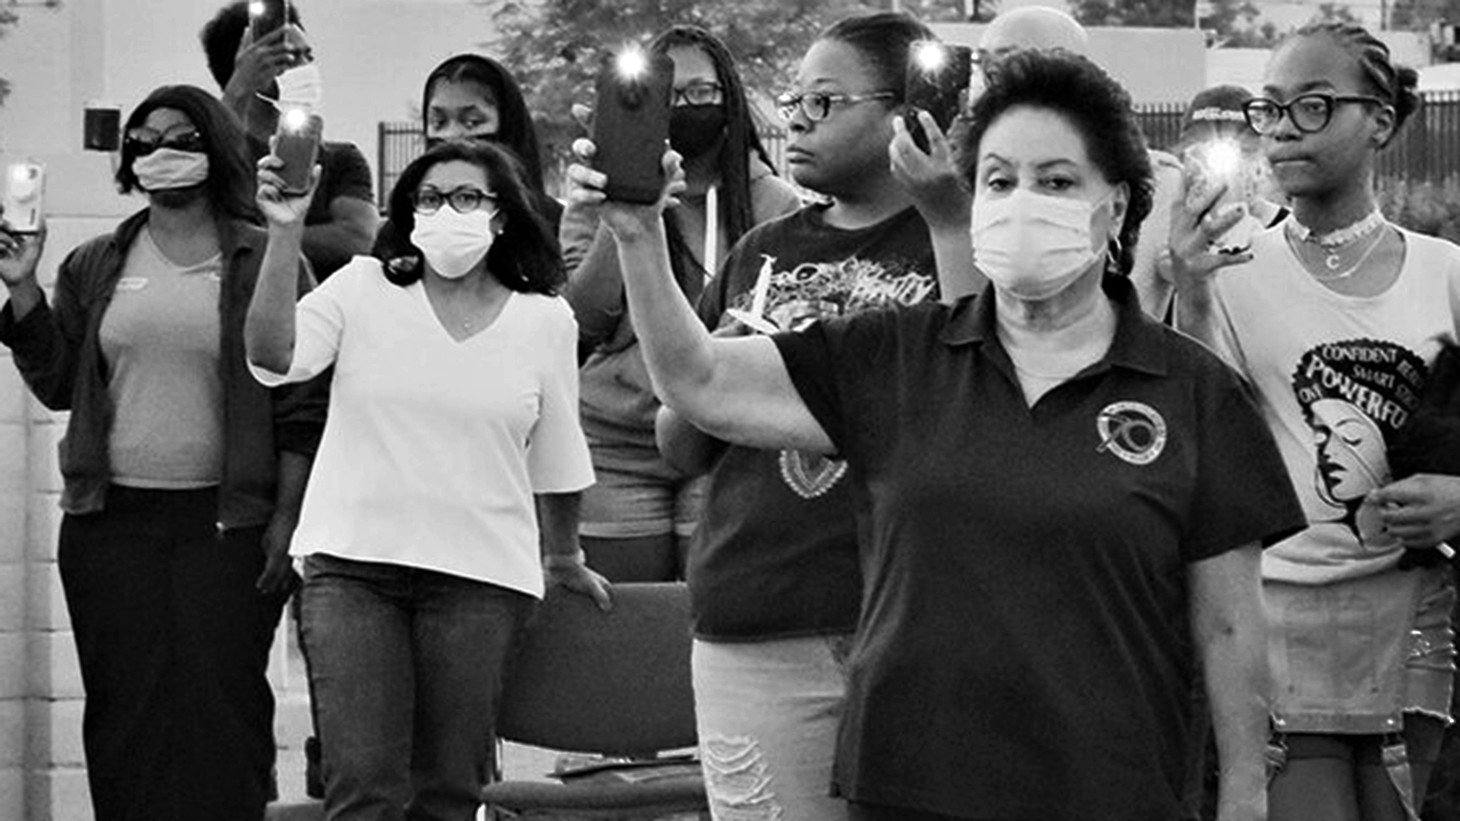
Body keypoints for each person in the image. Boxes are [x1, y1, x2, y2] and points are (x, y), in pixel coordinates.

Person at [571, 45, 1306, 820]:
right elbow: (698, 381)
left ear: (1117, 206)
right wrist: (637, 232)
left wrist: (1246, 793)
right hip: (914, 786)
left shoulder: (1193, 391)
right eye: (999, 180)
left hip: (1113, 785)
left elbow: (1229, 626)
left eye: (1057, 181)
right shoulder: (895, 355)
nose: (1024, 201)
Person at [247, 139, 611, 820]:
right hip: (352, 570)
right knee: (363, 788)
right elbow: (272, 356)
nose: (447, 211)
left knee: (449, 792)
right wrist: (285, 231)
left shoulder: (544, 319)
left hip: (479, 580)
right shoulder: (361, 288)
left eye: (467, 197)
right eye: (431, 198)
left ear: (502, 214)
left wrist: (564, 555)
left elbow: (559, 454)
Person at [0, 84, 324, 821]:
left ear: (214, 150)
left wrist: (286, 521)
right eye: (143, 142)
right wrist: (22, 292)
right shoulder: (96, 263)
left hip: (230, 526)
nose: (159, 153)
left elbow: (302, 406)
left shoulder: (265, 256)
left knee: (223, 710)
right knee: (125, 713)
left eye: (180, 139)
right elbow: (60, 382)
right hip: (110, 523)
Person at [1170, 22, 1460, 821]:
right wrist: (1191, 296)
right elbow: (1207, 448)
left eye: (1315, 105)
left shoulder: (1446, 273)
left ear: (1381, 121)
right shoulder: (1226, 272)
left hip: (1414, 623)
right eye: (1271, 108)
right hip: (1272, 619)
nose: (1285, 130)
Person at [562, 25, 802, 582]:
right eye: (669, 96)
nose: (686, 108)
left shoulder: (774, 203)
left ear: (729, 100)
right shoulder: (593, 194)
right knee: (627, 616)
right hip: (614, 444)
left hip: (720, 436)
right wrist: (624, 213)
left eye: (702, 93)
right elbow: (583, 322)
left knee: (709, 607)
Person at [978, 5, 1186, 323]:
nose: (987, 85)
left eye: (1004, 66)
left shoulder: (1163, 184)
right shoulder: (958, 180)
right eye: (982, 66)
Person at [201, 0, 377, 278]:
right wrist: (239, 88)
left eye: (308, 56)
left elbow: (357, 238)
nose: (305, 67)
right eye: (289, 57)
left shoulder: (340, 159)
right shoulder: (217, 155)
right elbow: (202, 231)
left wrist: (263, 237)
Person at [373, 53, 565, 269]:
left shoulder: (555, 225)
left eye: (472, 122)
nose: (453, 135)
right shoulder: (403, 227)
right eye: (439, 122)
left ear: (508, 125)